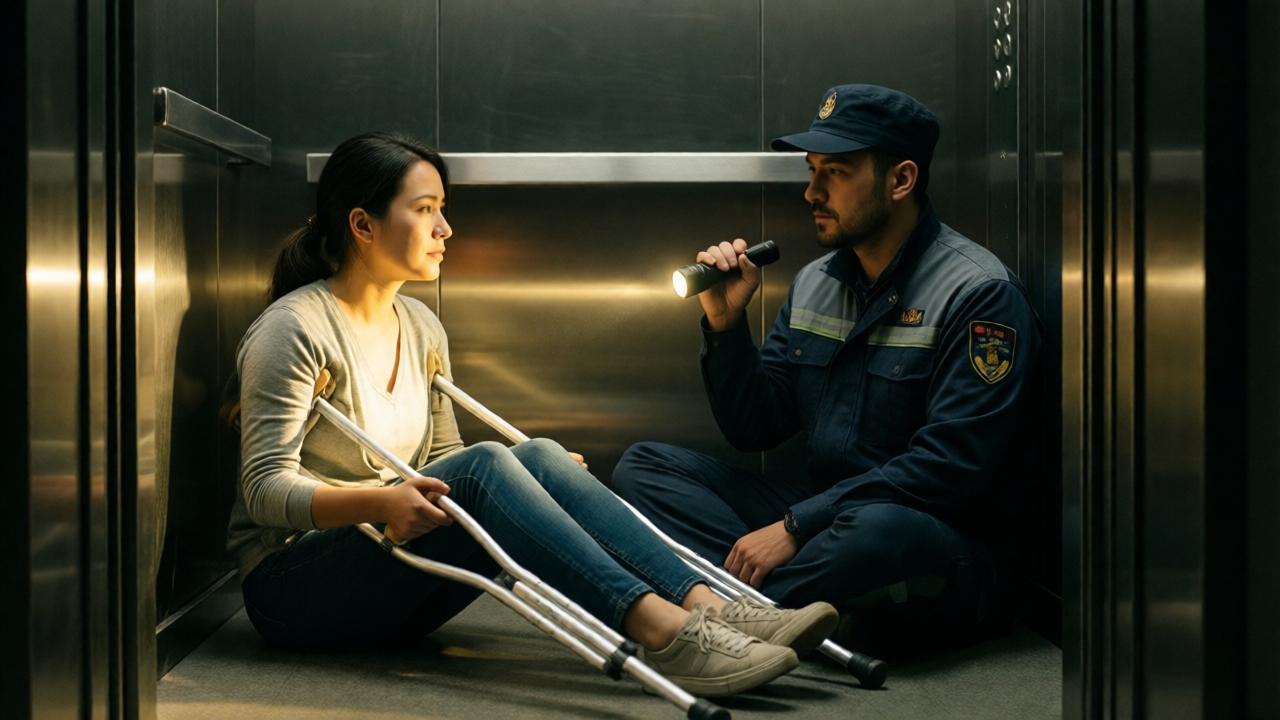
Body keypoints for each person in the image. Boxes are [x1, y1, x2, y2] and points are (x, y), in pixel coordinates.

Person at [224, 132, 839, 698]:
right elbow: (264, 491)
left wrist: (527, 479)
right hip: (293, 588)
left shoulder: (421, 325)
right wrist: (382, 502)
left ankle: (711, 607)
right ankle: (664, 634)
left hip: (394, 566)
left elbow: (444, 460)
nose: (445, 228)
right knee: (490, 463)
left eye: (443, 209)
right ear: (362, 223)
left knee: (535, 455)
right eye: (425, 209)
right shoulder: (295, 329)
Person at [612, 85, 1043, 658]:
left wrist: (795, 527)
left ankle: (708, 606)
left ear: (901, 180)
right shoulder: (817, 282)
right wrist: (725, 324)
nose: (812, 192)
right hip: (822, 522)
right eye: (812, 170)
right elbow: (755, 427)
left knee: (879, 532)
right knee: (644, 467)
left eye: (835, 173)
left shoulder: (979, 294)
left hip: (922, 531)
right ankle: (766, 613)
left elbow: (948, 469)